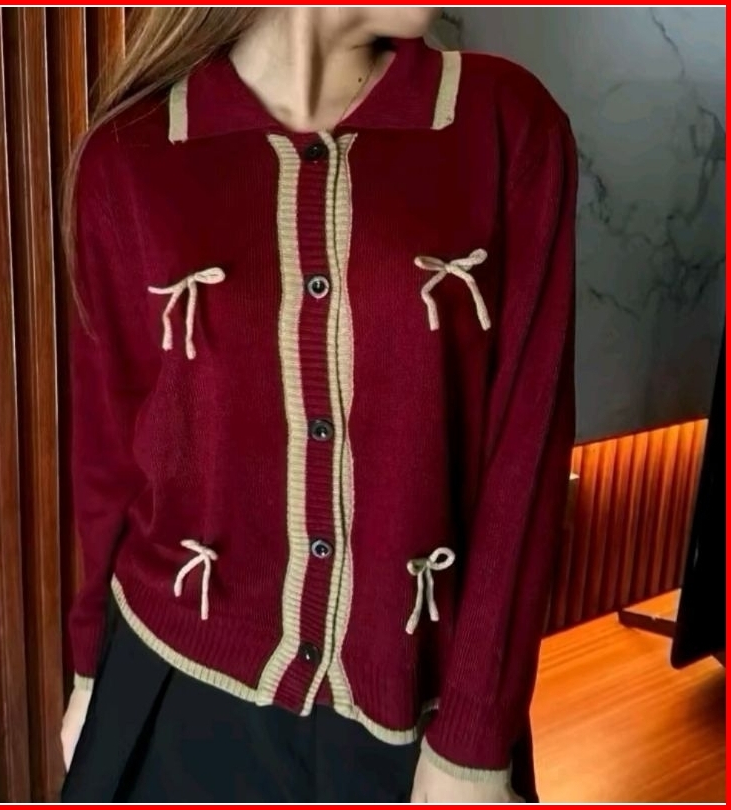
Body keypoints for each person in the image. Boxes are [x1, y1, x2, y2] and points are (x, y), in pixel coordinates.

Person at [60, 6, 577, 803]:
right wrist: (90, 673)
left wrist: (475, 738)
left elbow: (526, 458)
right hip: (170, 683)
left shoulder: (503, 124)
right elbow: (109, 456)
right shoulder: (130, 154)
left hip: (412, 711)